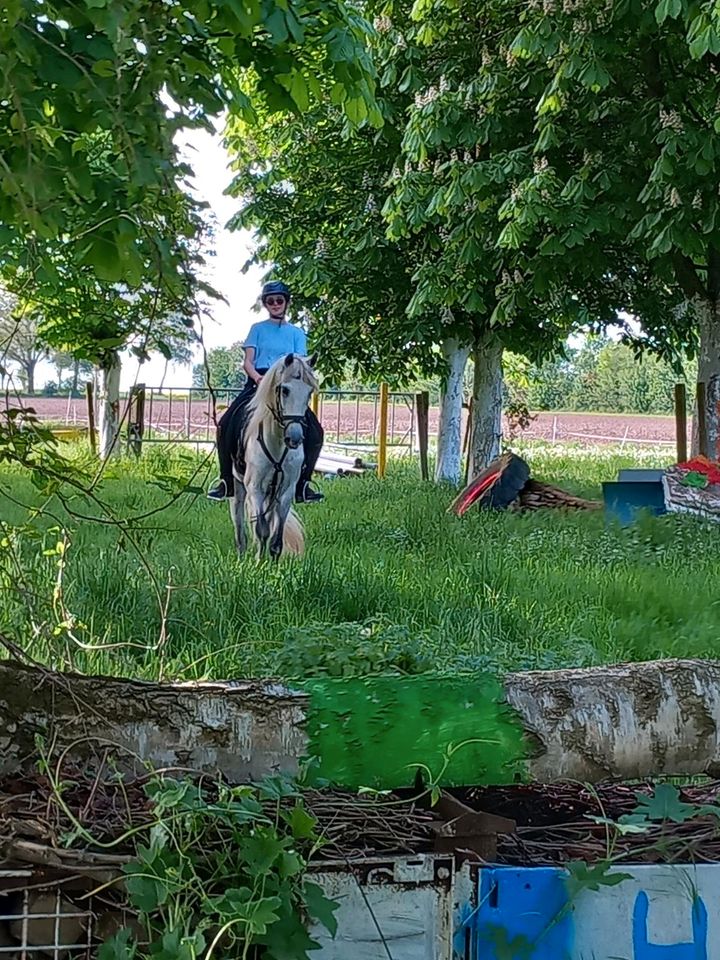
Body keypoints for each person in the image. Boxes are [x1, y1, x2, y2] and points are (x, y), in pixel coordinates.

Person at [207, 281, 325, 503]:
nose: (275, 304)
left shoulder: (297, 333)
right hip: (258, 383)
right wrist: (259, 379)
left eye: (279, 300)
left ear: (286, 303)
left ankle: (303, 483)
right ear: (265, 304)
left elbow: (299, 364)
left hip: (286, 387)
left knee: (316, 431)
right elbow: (248, 362)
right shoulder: (257, 329)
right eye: (270, 301)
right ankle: (226, 480)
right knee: (225, 424)